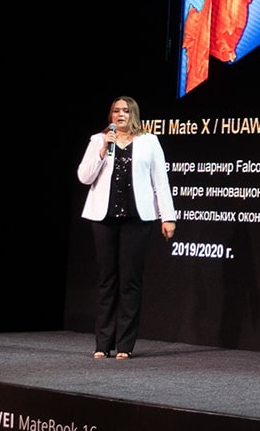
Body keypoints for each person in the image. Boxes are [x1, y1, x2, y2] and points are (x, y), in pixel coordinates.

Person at [76, 95, 177, 360]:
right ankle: (102, 343)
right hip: (104, 217)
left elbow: (160, 180)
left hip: (137, 218)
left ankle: (124, 345)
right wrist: (102, 152)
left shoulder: (149, 141)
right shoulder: (99, 140)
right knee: (106, 280)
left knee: (130, 280)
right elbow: (84, 177)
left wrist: (167, 216)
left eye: (125, 111)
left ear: (134, 114)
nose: (120, 115)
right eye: (115, 111)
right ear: (110, 115)